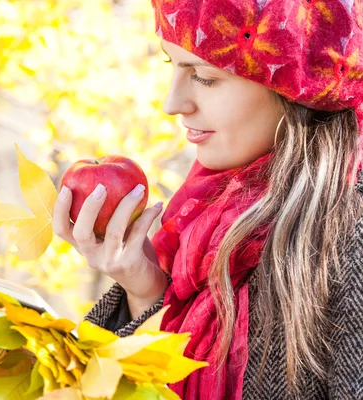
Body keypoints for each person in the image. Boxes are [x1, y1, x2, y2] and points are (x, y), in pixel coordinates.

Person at [53, 1, 363, 399]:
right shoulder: (203, 215)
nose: (173, 104)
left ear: (296, 88)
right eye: (173, 66)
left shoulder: (348, 235)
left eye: (204, 77)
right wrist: (145, 292)